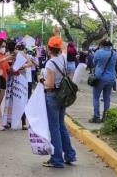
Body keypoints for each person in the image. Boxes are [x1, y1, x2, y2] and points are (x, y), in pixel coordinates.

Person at [41, 35, 76, 168]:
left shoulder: (50, 63)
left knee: (54, 128)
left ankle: (56, 159)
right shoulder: (63, 58)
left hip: (53, 96)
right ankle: (70, 155)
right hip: (63, 96)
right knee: (61, 126)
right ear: (60, 48)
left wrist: (41, 80)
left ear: (49, 49)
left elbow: (49, 84)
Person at [90, 39, 116, 123]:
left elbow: (94, 62)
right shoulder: (114, 53)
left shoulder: (98, 52)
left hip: (100, 77)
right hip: (111, 78)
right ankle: (105, 117)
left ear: (102, 45)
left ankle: (96, 117)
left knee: (96, 97)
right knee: (107, 98)